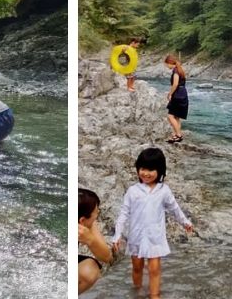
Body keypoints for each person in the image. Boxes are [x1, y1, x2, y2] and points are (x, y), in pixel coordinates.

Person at [112, 148, 192, 299]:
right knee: (137, 267)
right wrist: (117, 236)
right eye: (142, 169)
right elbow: (124, 213)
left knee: (154, 269)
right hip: (136, 236)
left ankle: (155, 295)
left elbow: (174, 208)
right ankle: (137, 291)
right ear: (137, 169)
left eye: (151, 169)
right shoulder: (133, 191)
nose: (146, 173)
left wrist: (185, 222)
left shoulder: (164, 190)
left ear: (160, 170)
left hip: (155, 237)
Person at [78, 188, 112, 294]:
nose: (97, 215)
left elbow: (106, 257)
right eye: (96, 213)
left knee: (90, 270)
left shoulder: (87, 222)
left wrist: (90, 240)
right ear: (82, 220)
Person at [163, 54, 188, 143]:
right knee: (177, 116)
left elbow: (175, 84)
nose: (166, 66)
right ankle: (176, 135)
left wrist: (170, 94)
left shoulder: (176, 71)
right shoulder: (180, 69)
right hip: (183, 93)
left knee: (170, 116)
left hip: (178, 94)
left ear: (170, 63)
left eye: (166, 64)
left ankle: (179, 135)